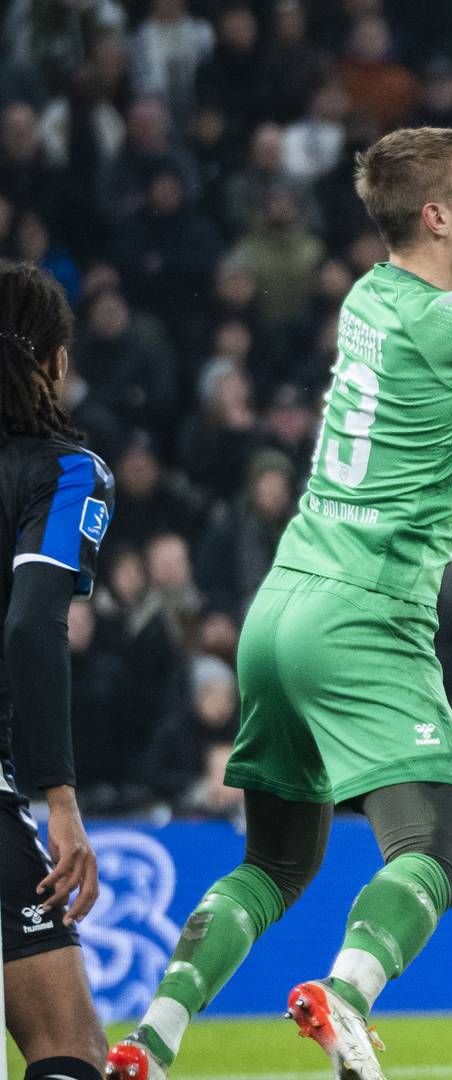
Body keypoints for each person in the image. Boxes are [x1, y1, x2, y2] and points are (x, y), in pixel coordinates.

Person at [107, 49, 452, 1080]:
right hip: (365, 615)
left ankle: (150, 1042)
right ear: (437, 219)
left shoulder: (380, 298)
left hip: (281, 609)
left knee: (273, 862)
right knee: (434, 853)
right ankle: (347, 994)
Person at [0, 260, 115, 1080]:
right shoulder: (65, 471)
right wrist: (60, 801)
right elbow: (32, 627)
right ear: (56, 362)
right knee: (69, 1049)